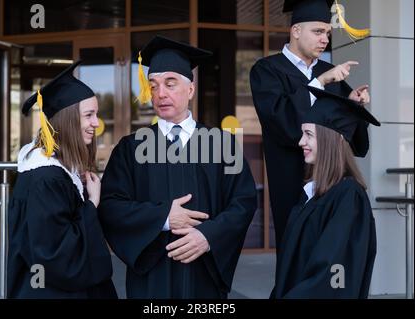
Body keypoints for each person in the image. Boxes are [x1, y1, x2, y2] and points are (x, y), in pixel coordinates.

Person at [99, 35, 257, 298]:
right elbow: (111, 205)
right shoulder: (130, 148)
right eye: (154, 85)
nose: (160, 93)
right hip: (152, 278)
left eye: (170, 84)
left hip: (203, 275)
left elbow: (243, 202)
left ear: (191, 90)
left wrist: (209, 237)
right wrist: (162, 218)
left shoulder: (221, 144)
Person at [250, 0, 372, 251]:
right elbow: (282, 123)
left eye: (327, 33)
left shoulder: (331, 71)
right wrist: (320, 83)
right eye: (318, 32)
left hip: (329, 181)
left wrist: (353, 106)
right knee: (295, 251)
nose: (325, 39)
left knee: (329, 250)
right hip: (288, 178)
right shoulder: (267, 70)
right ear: (296, 31)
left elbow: (351, 140)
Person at [7, 61, 117, 299]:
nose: (96, 123)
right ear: (66, 121)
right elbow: (56, 256)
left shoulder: (63, 171)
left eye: (96, 114)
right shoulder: (46, 179)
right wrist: (92, 204)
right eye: (88, 115)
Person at [273, 86, 379, 298]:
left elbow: (333, 273)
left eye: (308, 134)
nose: (301, 141)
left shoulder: (348, 196)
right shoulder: (312, 193)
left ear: (332, 138)